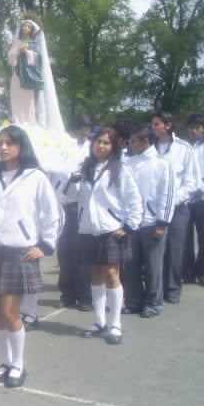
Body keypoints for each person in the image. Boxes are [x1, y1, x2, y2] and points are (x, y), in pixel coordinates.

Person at [0, 125, 61, 388]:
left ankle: (18, 365)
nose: (3, 147)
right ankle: (4, 362)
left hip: (18, 252)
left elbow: (53, 214)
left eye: (9, 143)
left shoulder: (36, 177)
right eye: (1, 143)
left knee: (11, 312)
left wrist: (45, 246)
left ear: (21, 147)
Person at [78, 127, 142, 345]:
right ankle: (99, 322)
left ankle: (115, 324)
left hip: (110, 229)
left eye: (106, 142)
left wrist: (130, 225)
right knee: (95, 275)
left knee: (112, 275)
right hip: (88, 229)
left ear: (114, 146)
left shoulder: (119, 169)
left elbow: (134, 198)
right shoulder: (85, 167)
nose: (101, 146)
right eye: (98, 142)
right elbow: (75, 197)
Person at [123, 125, 175, 317]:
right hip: (131, 223)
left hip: (152, 223)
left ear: (145, 141)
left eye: (133, 141)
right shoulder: (128, 163)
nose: (130, 144)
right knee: (131, 266)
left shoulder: (161, 164)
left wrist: (162, 223)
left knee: (153, 267)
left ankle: (153, 303)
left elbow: (167, 195)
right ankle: (134, 301)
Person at [151, 112, 197, 303]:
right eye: (152, 124)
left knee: (175, 250)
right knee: (155, 251)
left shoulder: (183, 148)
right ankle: (156, 290)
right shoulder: (149, 148)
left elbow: (191, 182)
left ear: (168, 125)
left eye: (156, 124)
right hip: (153, 209)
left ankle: (172, 289)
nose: (153, 127)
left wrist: (172, 200)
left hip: (178, 208)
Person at [50, 115, 94, 311]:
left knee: (81, 252)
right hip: (61, 205)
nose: (86, 134)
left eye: (88, 131)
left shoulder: (91, 148)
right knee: (64, 252)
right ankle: (67, 294)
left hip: (80, 205)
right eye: (83, 131)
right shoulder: (58, 147)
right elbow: (51, 174)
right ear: (74, 130)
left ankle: (85, 295)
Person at [7, 19, 64, 131]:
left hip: (28, 77)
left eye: (28, 27)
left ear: (31, 30)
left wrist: (27, 52)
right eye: (24, 26)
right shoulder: (17, 43)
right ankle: (17, 120)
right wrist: (18, 50)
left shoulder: (33, 43)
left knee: (28, 101)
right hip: (17, 76)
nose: (25, 28)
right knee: (16, 98)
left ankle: (28, 122)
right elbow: (10, 60)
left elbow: (38, 59)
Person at [183, 113, 204, 287]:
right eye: (191, 127)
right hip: (186, 199)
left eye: (197, 127)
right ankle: (187, 272)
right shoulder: (183, 147)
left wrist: (201, 189)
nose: (194, 131)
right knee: (185, 238)